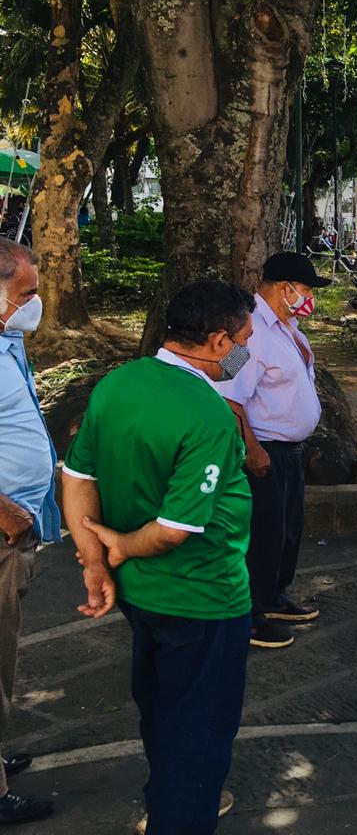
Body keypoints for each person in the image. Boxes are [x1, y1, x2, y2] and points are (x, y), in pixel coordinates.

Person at [62, 280, 257, 834]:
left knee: (162, 709)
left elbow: (77, 476)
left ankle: (169, 797)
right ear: (219, 341)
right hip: (203, 596)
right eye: (243, 339)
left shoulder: (118, 384)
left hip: (141, 594)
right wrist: (119, 546)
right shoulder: (208, 414)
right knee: (200, 729)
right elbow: (175, 528)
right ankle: (182, 812)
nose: (247, 350)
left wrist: (96, 562)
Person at [216, 252, 330, 650]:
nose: (310, 297)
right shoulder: (249, 330)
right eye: (307, 289)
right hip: (265, 450)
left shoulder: (288, 326)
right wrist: (251, 448)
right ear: (285, 288)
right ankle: (248, 615)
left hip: (290, 449)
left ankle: (273, 595)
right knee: (262, 534)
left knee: (287, 530)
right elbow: (229, 396)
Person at [0, 239, 59, 827]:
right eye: (27, 294)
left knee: (4, 653)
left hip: (15, 530)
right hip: (2, 528)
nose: (36, 305)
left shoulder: (6, 343)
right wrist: (6, 513)